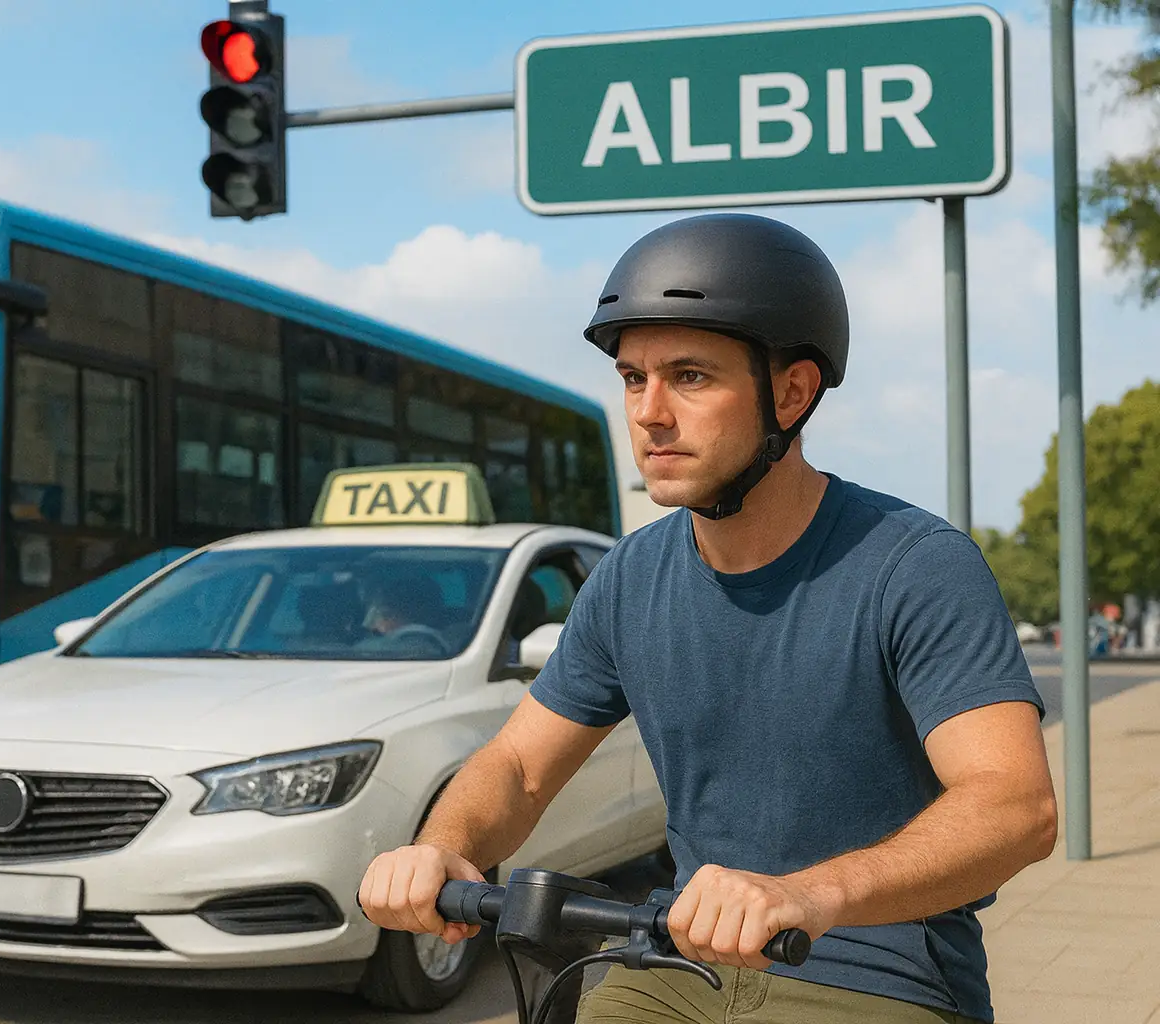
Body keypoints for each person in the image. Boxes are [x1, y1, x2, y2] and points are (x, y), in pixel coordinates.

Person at [357, 214, 1056, 1024]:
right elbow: (518, 765)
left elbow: (1016, 805)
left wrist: (807, 894)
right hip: (677, 963)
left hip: (873, 973)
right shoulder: (630, 577)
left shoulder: (914, 565)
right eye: (631, 378)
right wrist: (447, 845)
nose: (650, 413)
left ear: (791, 392)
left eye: (689, 377)